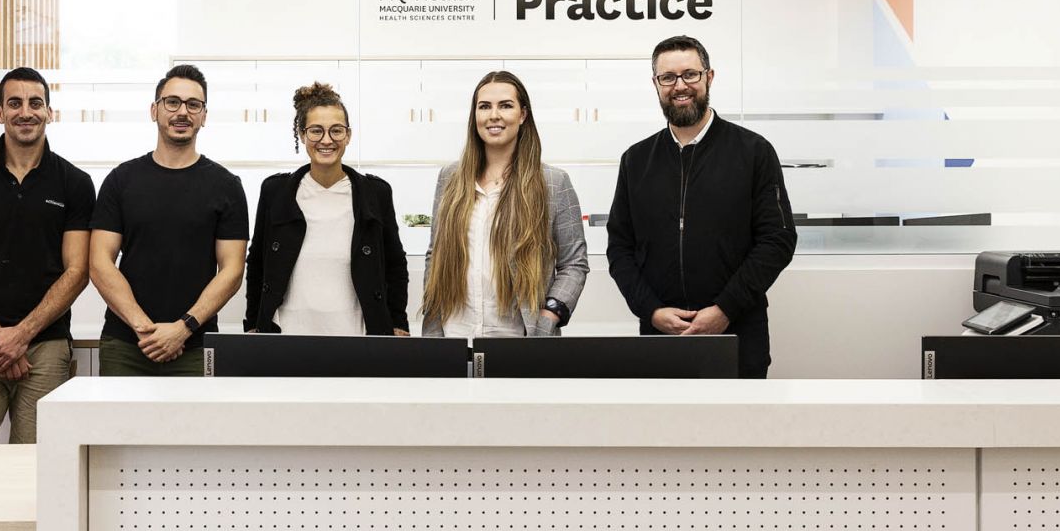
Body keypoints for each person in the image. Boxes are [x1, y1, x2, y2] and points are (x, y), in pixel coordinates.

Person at [606, 35, 797, 377]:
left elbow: (778, 240)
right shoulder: (635, 160)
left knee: (738, 430)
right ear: (656, 84)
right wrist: (650, 311)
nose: (680, 86)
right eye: (668, 78)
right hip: (658, 338)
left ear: (709, 77)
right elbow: (620, 248)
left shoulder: (753, 152)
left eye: (690, 74)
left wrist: (725, 308)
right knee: (661, 431)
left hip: (737, 336)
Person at [0, 66, 94, 443]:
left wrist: (22, 336)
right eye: (14, 103)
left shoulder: (75, 183)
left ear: (49, 112)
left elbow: (77, 272)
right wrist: (0, 340)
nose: (25, 112)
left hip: (46, 349)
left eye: (35, 103)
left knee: (43, 471)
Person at [89, 63, 248, 375]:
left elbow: (232, 270)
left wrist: (182, 328)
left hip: (195, 346)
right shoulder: (121, 180)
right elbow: (99, 262)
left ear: (204, 115)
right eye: (172, 102)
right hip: (126, 345)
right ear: (154, 110)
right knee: (119, 427)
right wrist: (143, 327)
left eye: (193, 105)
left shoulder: (226, 186)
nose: (182, 112)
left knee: (195, 427)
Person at [419, 70, 588, 337]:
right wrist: (433, 325)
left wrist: (549, 316)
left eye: (505, 106)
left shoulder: (553, 182)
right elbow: (435, 254)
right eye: (484, 106)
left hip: (520, 341)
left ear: (522, 115)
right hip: (453, 335)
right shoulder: (450, 178)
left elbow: (574, 264)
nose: (493, 115)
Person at [244, 82, 409, 336]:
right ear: (301, 134)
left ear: (349, 135)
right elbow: (257, 264)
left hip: (358, 334)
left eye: (336, 131)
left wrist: (398, 323)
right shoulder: (275, 192)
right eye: (316, 131)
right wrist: (253, 324)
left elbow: (395, 265)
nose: (327, 140)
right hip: (288, 333)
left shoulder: (375, 194)